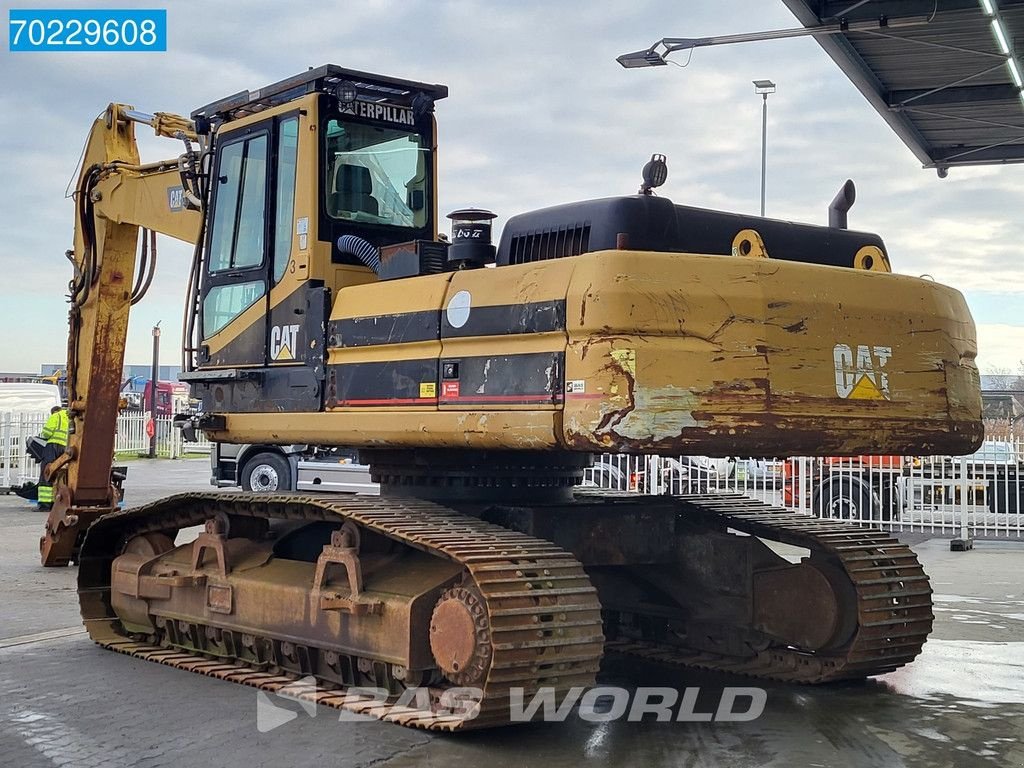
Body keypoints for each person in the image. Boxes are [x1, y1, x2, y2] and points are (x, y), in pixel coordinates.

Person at [37, 405, 68, 511]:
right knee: (59, 475)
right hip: (64, 448)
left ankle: (44, 504)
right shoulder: (68, 417)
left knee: (47, 472)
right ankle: (55, 501)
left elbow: (47, 433)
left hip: (52, 446)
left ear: (54, 411)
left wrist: (43, 435)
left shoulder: (55, 416)